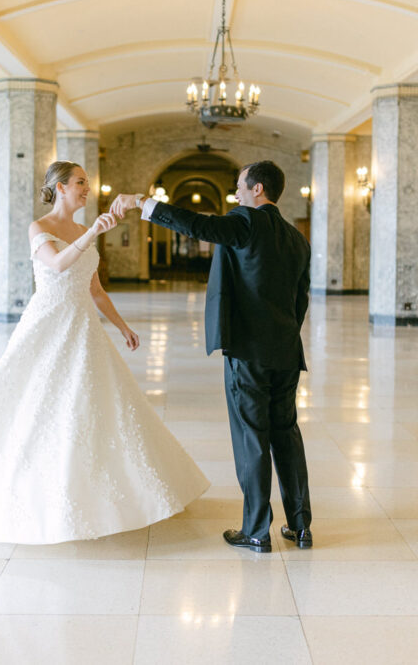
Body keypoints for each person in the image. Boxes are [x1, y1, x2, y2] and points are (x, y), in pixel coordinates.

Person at [0, 161, 209, 545]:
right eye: (81, 183)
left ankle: (96, 492)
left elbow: (93, 289)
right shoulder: (41, 228)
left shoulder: (84, 230)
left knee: (91, 406)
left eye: (87, 183)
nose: (87, 189)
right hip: (48, 325)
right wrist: (93, 233)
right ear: (61, 187)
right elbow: (56, 264)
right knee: (28, 400)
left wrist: (122, 325)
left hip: (83, 328)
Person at [111, 160, 311, 553]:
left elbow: (197, 225)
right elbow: (300, 298)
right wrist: (283, 334)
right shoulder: (295, 238)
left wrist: (142, 202)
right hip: (286, 351)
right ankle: (300, 527)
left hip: (249, 353)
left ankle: (256, 530)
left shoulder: (245, 222)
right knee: (286, 436)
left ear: (258, 190)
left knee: (252, 437)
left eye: (240, 187)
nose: (236, 194)